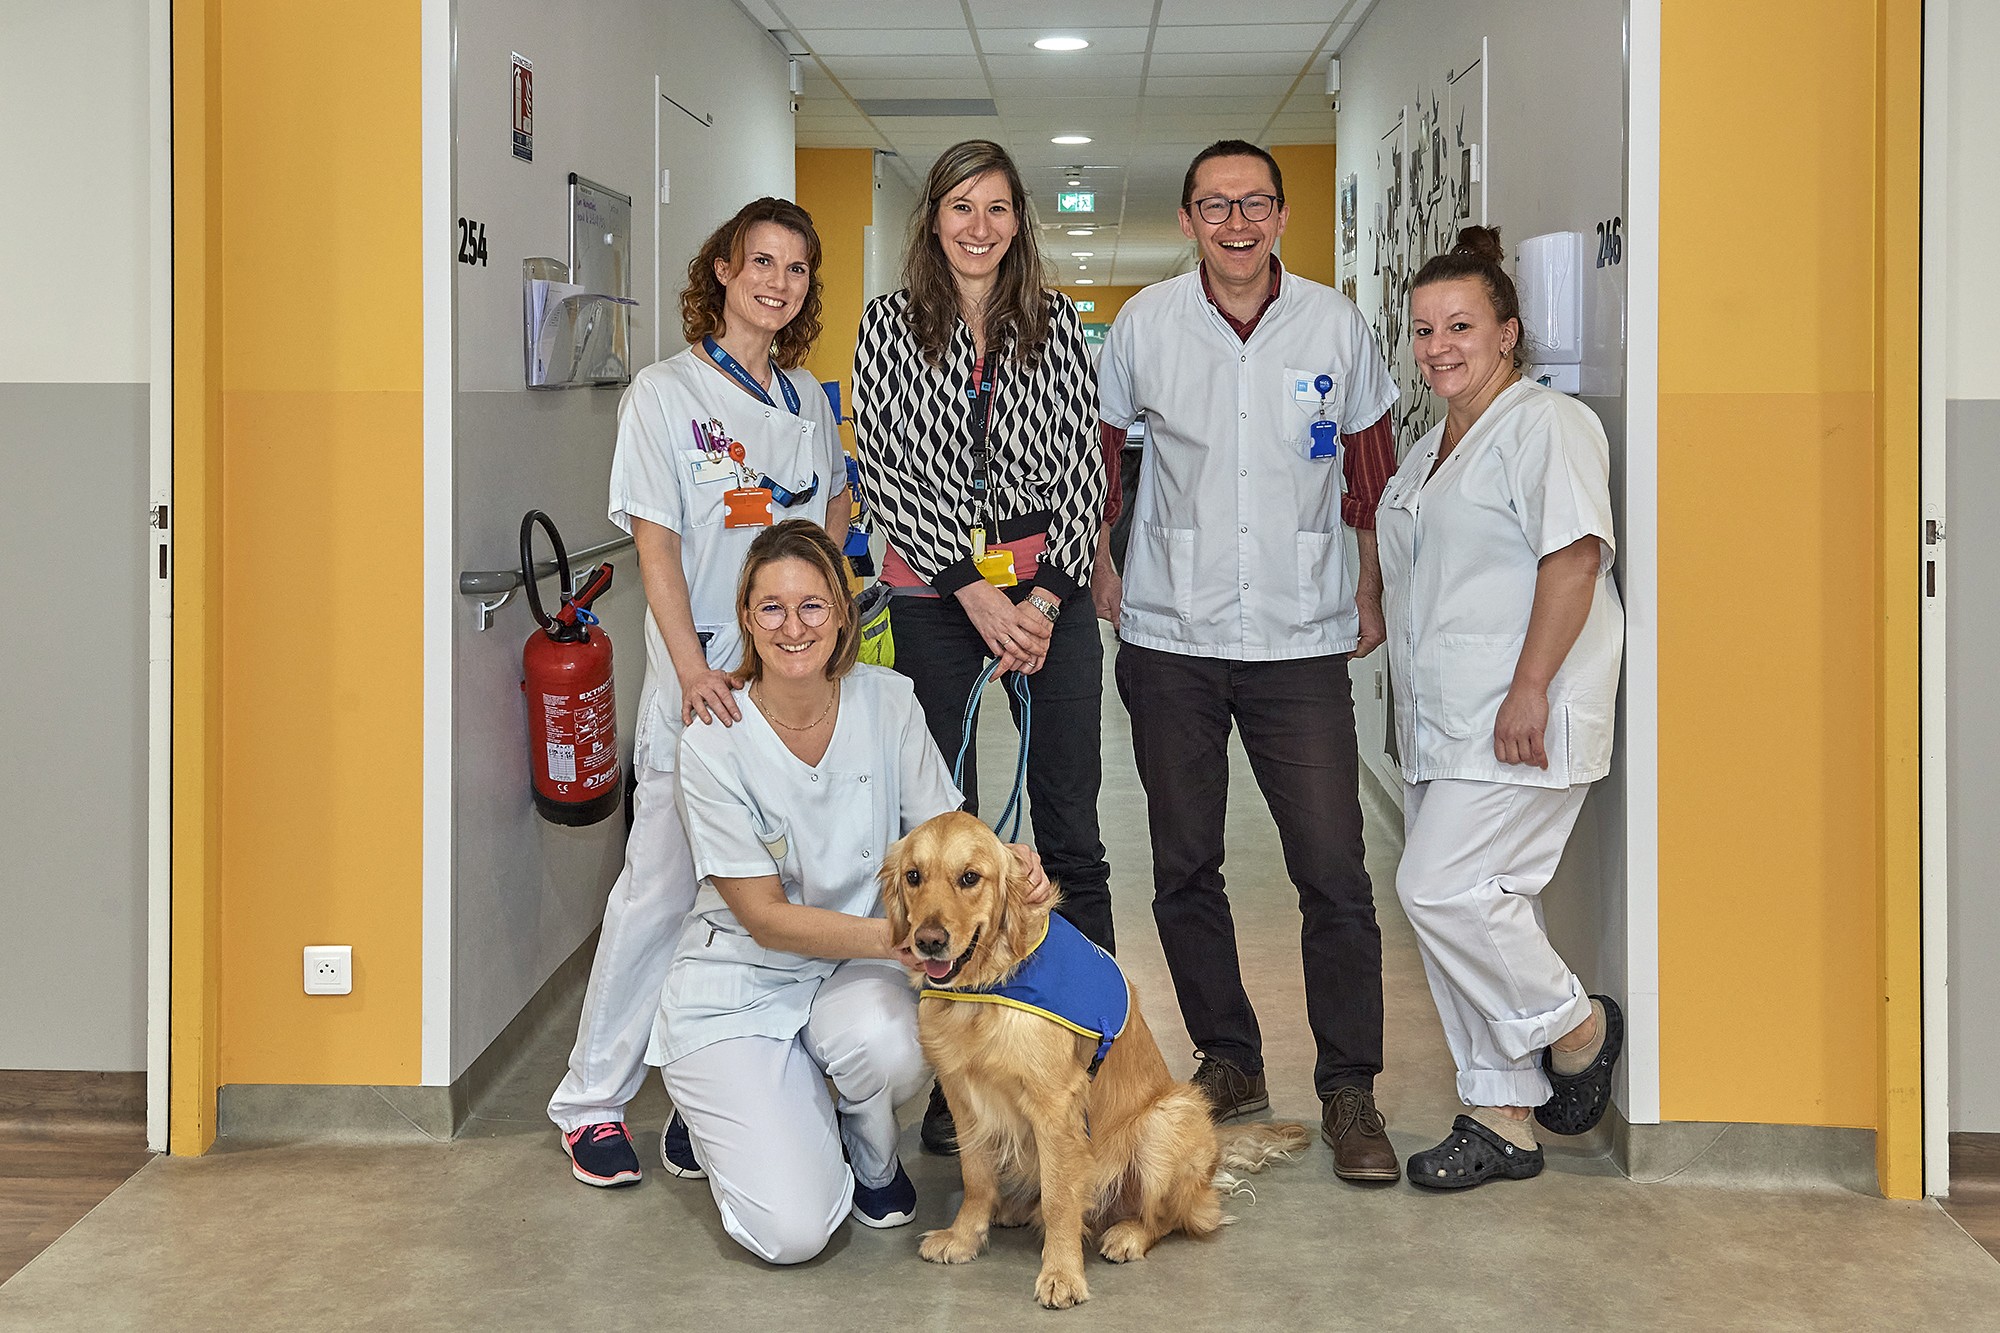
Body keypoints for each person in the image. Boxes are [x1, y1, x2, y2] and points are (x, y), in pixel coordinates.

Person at [1094, 140, 1402, 1182]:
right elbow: (1099, 458)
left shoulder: (1334, 324)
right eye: (1215, 205)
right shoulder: (1145, 324)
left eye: (1254, 202)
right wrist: (1101, 563)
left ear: (1281, 214)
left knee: (1333, 869)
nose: (1236, 222)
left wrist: (1369, 586)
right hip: (1170, 631)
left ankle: (1349, 1085)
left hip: (1299, 636)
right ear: (1188, 220)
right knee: (1183, 863)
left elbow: (1368, 475)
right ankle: (1229, 1055)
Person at [547, 198, 850, 1188]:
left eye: (796, 269)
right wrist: (690, 670)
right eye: (760, 261)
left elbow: (831, 515)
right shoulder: (664, 394)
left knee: (762, 901)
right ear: (722, 269)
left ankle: (702, 1096)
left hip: (789, 685)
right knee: (661, 890)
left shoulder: (807, 399)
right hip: (708, 683)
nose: (777, 283)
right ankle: (591, 1099)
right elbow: (658, 548)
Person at [649, 521, 1051, 1263]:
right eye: (772, 608)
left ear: (842, 613)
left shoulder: (888, 701)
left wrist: (1006, 863)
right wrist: (900, 940)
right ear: (747, 618)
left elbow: (944, 832)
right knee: (793, 1234)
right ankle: (716, 1113)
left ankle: (871, 1155)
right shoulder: (713, 738)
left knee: (893, 1043)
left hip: (854, 973)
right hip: (742, 978)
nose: (793, 627)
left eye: (812, 606)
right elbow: (765, 919)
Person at [852, 139, 1109, 1154]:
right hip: (934, 596)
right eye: (962, 206)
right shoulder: (888, 326)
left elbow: (1083, 471)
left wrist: (1039, 600)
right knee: (942, 840)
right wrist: (973, 594)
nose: (979, 226)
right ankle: (953, 1080)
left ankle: (1085, 1052)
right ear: (934, 218)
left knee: (1070, 827)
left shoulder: (1054, 325)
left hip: (1048, 598)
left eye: (997, 208)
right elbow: (884, 472)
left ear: (1017, 223)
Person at [1375, 226, 1625, 1189]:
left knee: (1438, 890)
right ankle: (1501, 1113)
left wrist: (1529, 686)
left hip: (1520, 712)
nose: (1439, 346)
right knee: (1475, 908)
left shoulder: (1546, 426)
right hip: (1446, 719)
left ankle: (1575, 1026)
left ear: (1508, 332)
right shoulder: (1429, 446)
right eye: (1424, 329)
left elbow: (1575, 560)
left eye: (1461, 326)